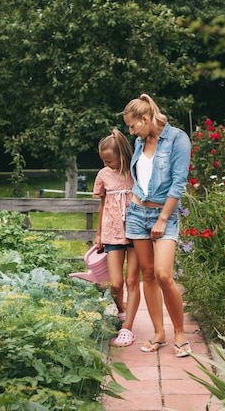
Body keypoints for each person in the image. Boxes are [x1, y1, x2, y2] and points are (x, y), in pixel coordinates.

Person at [122, 94, 193, 357]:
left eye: (133, 126)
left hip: (164, 216)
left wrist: (163, 218)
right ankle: (159, 333)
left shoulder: (177, 139)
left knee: (164, 275)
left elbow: (178, 182)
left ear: (145, 118)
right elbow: (141, 178)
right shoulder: (140, 142)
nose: (131, 132)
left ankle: (180, 333)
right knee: (148, 275)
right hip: (137, 214)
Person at [93, 128, 141, 347]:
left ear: (122, 156)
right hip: (112, 233)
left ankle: (127, 329)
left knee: (132, 281)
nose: (106, 165)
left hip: (135, 231)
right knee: (114, 283)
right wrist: (99, 233)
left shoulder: (135, 172)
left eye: (109, 161)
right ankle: (121, 309)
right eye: (103, 161)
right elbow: (102, 204)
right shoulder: (103, 175)